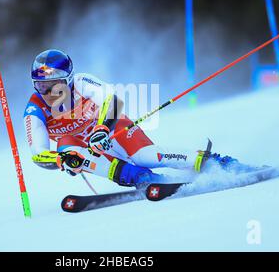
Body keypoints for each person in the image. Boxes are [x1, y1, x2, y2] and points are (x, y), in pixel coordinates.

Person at [23, 49, 239, 188]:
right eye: (40, 85)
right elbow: (39, 155)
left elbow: (113, 100)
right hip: (90, 152)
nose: (47, 92)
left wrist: (102, 129)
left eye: (53, 84)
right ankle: (141, 179)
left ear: (68, 79)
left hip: (113, 132)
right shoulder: (35, 109)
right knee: (65, 147)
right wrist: (62, 161)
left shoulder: (82, 82)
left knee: (147, 156)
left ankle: (215, 162)